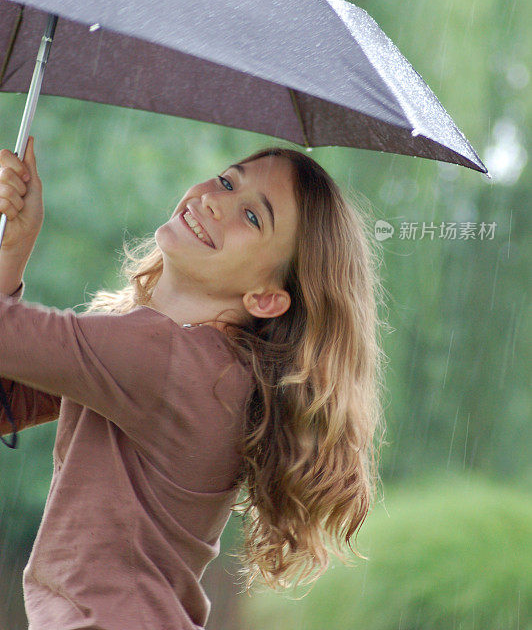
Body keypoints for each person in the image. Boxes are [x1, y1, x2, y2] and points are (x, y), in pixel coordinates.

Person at [0, 136, 386, 630]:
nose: (215, 199)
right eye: (227, 181)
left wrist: (17, 246)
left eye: (253, 217)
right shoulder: (204, 369)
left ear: (266, 297)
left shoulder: (170, 363)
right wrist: (11, 250)